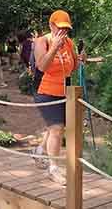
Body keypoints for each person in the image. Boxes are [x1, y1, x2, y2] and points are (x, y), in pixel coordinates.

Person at [31, 10, 82, 184]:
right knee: (57, 129)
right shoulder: (42, 41)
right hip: (44, 90)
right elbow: (42, 66)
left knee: (55, 128)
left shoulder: (69, 43)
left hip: (64, 91)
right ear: (51, 25)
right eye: (60, 28)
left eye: (66, 29)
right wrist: (54, 47)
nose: (63, 32)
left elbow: (73, 67)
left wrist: (81, 59)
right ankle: (53, 168)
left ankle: (39, 151)